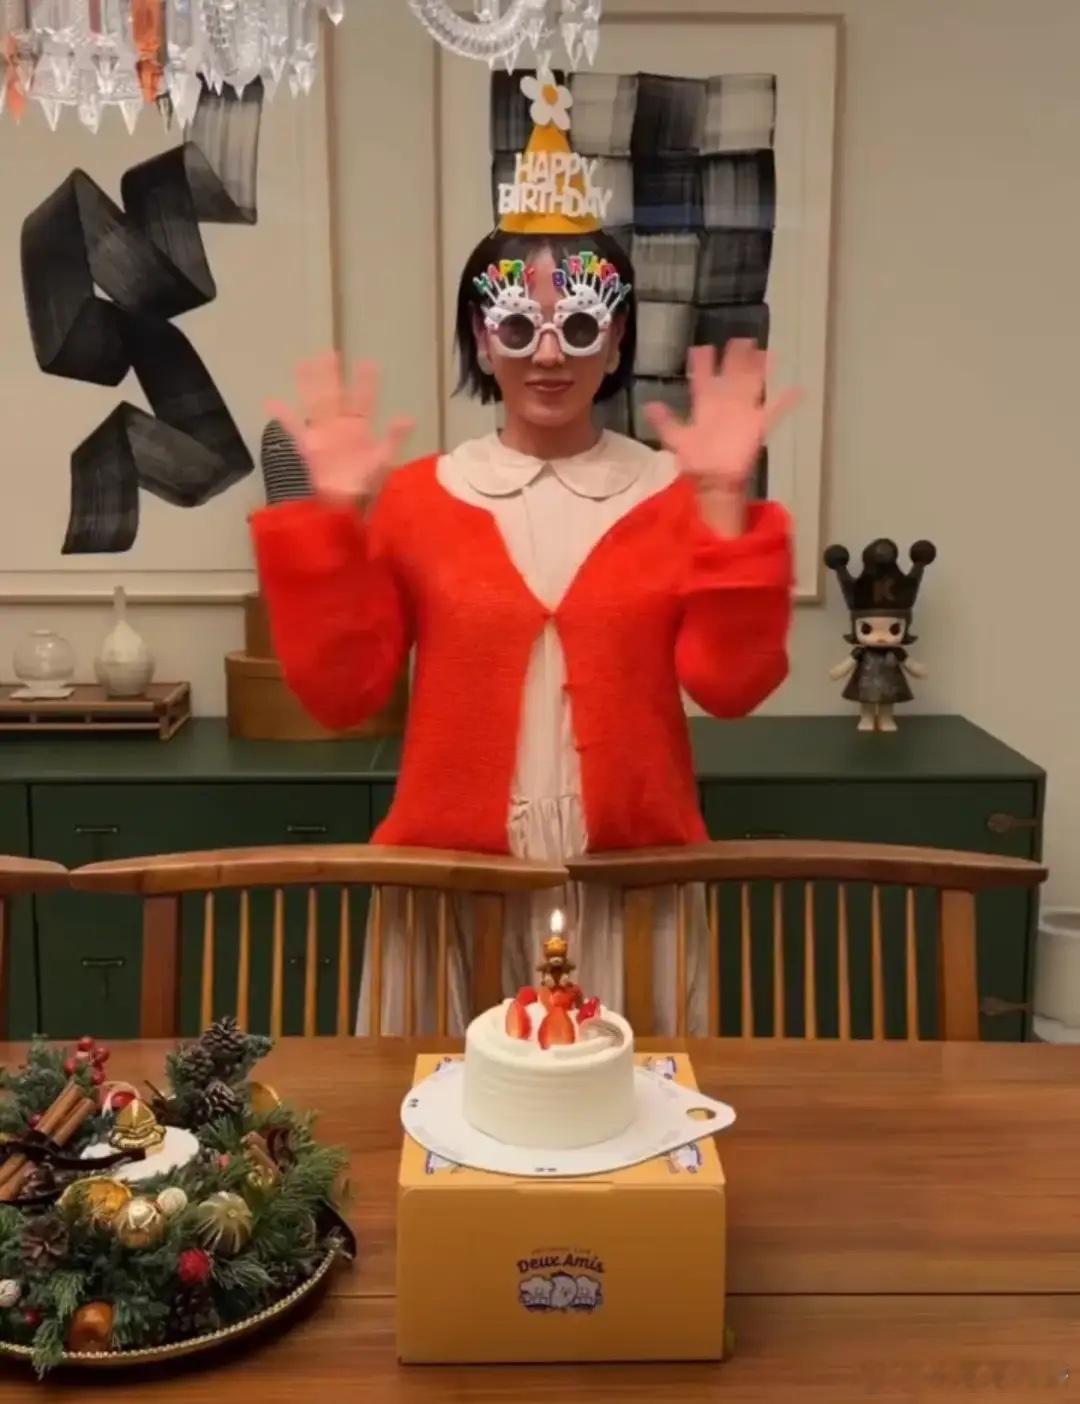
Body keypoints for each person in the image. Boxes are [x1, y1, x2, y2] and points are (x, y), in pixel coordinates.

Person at [251, 69, 798, 1035]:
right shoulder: (421, 498)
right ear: (482, 335)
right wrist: (331, 525)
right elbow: (340, 695)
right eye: (518, 325)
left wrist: (723, 506)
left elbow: (732, 687)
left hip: (632, 884)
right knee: (438, 1113)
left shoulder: (669, 496)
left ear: (616, 340)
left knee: (634, 1113)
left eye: (579, 326)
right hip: (450, 887)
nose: (548, 354)